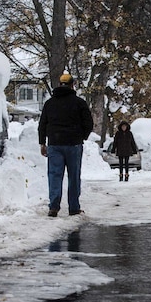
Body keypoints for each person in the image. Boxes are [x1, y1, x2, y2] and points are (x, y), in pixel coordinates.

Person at [38, 73, 94, 217]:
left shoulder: (49, 103)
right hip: (73, 144)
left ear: (59, 84)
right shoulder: (79, 102)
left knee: (54, 175)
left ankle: (54, 207)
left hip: (54, 144)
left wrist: (42, 143)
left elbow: (42, 124)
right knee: (74, 176)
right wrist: (82, 136)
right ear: (72, 85)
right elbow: (88, 123)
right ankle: (74, 207)